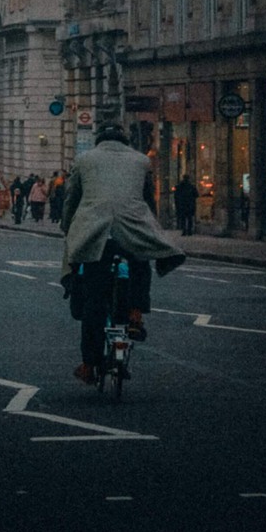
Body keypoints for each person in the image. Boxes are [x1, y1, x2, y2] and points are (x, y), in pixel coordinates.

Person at [60, 123, 186, 385]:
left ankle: (89, 364)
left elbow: (72, 198)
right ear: (125, 141)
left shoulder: (84, 159)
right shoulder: (141, 161)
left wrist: (68, 226)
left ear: (99, 140)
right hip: (132, 228)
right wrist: (150, 227)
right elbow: (148, 200)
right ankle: (136, 314)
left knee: (95, 299)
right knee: (140, 263)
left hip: (96, 232)